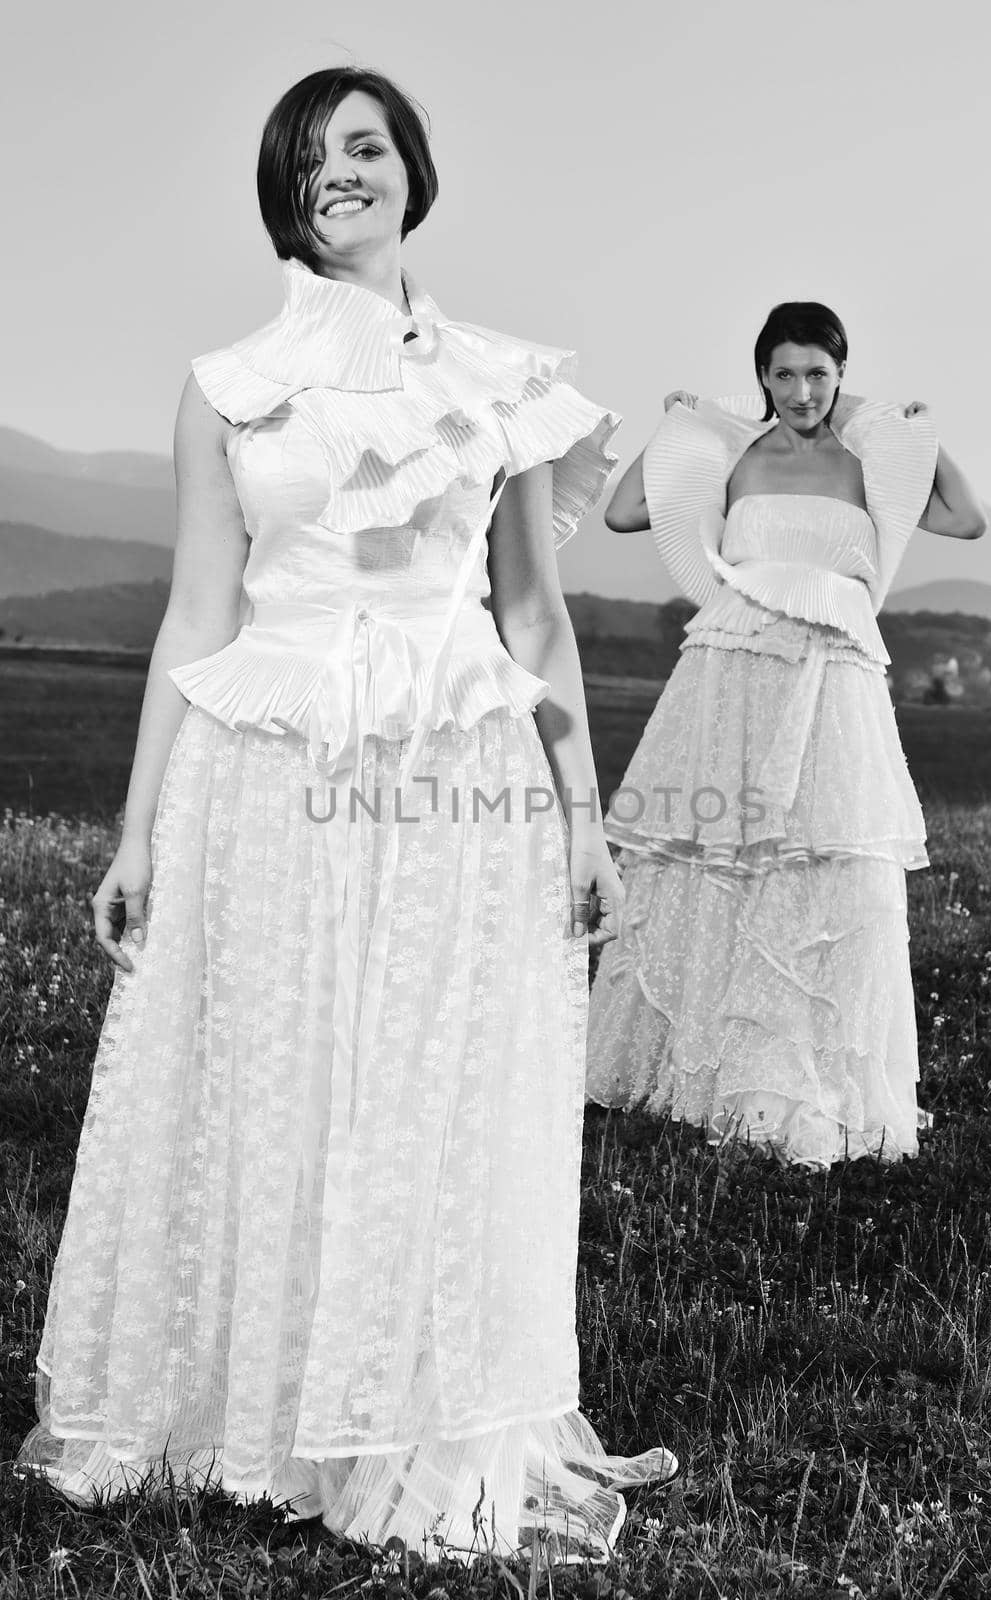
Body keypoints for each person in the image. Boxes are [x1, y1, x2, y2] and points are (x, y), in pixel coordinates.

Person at [18, 66, 675, 1564]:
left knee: (428, 1084)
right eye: (311, 160)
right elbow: (196, 613)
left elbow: (532, 615)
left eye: (366, 148)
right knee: (275, 1076)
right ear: (283, 193)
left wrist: (582, 819)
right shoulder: (229, 382)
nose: (342, 176)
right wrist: (133, 836)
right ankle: (259, 1404)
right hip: (263, 775)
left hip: (456, 774)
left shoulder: (498, 383)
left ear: (410, 170)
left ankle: (411, 1412)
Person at [584, 302, 986, 1167]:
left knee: (826, 857)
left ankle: (807, 1071)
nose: (800, 391)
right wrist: (687, 425)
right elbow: (624, 513)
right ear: (761, 376)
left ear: (841, 377)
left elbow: (963, 518)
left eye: (817, 374)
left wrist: (908, 431)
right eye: (783, 374)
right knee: (716, 857)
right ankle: (696, 1062)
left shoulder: (867, 465)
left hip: (831, 680)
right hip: (731, 677)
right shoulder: (732, 454)